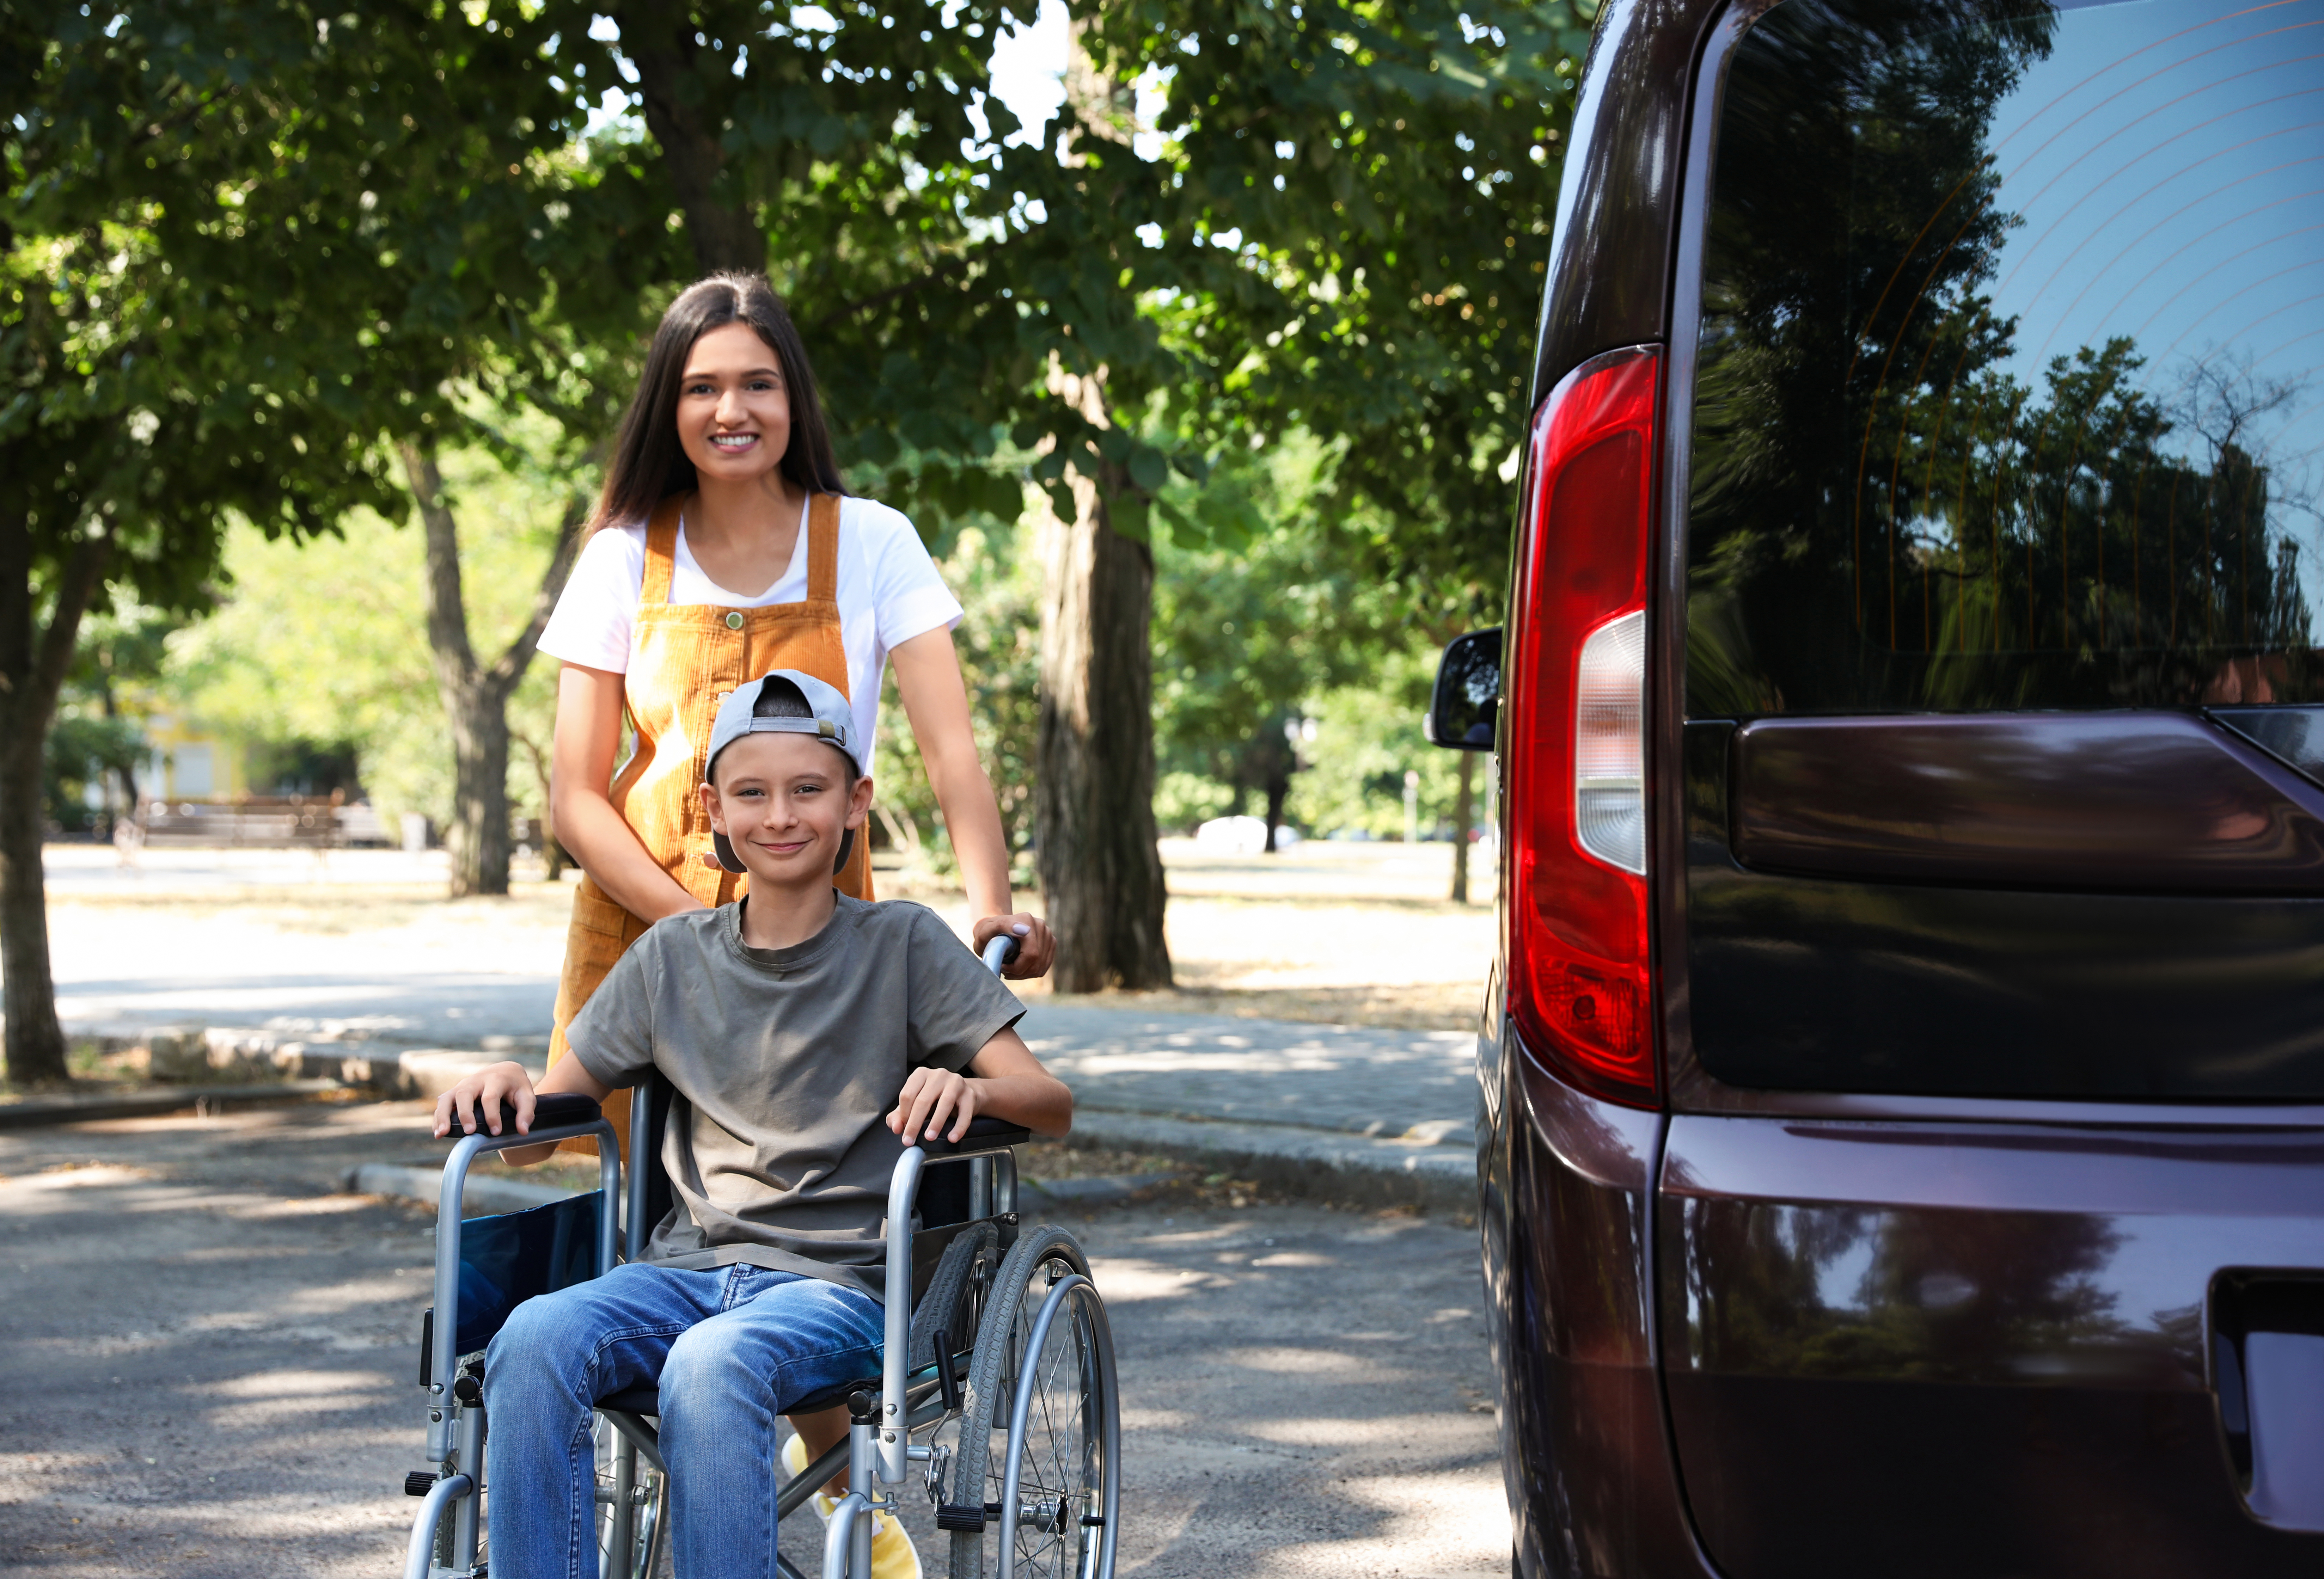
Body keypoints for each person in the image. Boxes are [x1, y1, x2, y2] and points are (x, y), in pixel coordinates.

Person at [435, 670, 1074, 1579]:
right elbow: (547, 1119)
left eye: (808, 789)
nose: (780, 814)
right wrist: (506, 1087)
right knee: (531, 1338)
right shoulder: (669, 957)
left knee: (710, 1363)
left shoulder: (903, 942)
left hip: (839, 1286)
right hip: (680, 1273)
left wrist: (972, 1088)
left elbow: (1050, 1101)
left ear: (855, 801)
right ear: (713, 809)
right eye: (752, 792)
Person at [537, 271, 1056, 1153]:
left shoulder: (871, 540)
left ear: (792, 400)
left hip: (823, 946)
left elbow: (950, 754)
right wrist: (696, 942)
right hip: (644, 927)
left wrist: (991, 909)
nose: (729, 409)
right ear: (669, 404)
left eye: (756, 384)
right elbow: (574, 798)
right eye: (701, 387)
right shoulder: (620, 558)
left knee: (807, 1182)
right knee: (626, 1200)